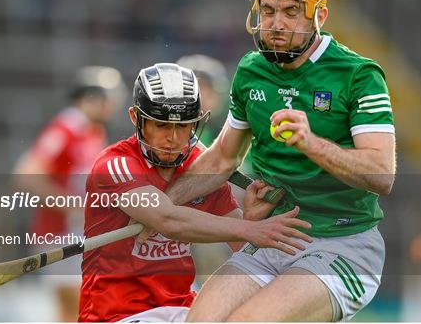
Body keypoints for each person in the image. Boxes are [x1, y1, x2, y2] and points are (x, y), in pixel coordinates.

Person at [163, 0, 397, 322]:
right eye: (268, 11)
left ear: (319, 15)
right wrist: (160, 205)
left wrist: (311, 143)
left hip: (344, 245)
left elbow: (382, 175)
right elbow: (222, 160)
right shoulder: (251, 70)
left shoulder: (359, 76)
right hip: (272, 236)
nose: (276, 23)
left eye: (291, 12)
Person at [78, 63, 313, 322]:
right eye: (161, 125)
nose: (173, 139)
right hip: (118, 315)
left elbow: (239, 242)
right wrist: (250, 229)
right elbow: (167, 219)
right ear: (136, 118)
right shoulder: (115, 165)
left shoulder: (199, 167)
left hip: (182, 310)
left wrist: (251, 220)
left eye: (183, 126)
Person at [14, 65, 126, 322]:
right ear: (91, 97)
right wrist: (74, 207)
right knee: (84, 310)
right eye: (109, 99)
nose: (113, 106)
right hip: (60, 234)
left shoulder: (91, 131)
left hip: (77, 235)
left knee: (76, 313)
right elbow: (27, 174)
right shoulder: (67, 126)